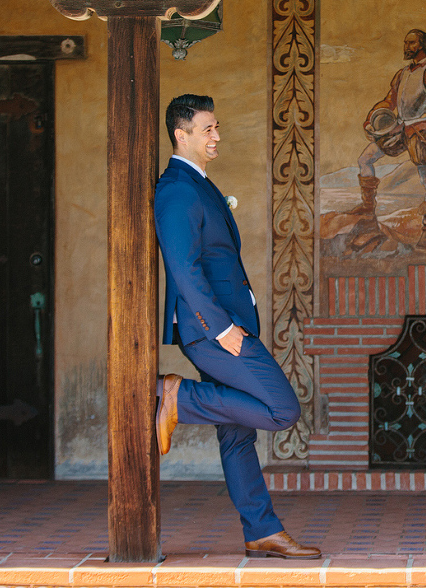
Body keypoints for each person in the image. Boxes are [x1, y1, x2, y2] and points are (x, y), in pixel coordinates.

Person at [153, 94, 321, 560]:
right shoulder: (176, 190)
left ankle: (261, 530)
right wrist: (221, 328)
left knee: (237, 432)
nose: (217, 136)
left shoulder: (199, 185)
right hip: (212, 332)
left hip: (225, 326)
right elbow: (184, 269)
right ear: (180, 135)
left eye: (217, 126)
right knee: (280, 410)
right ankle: (177, 397)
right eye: (207, 129)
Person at [351, 29, 426, 249]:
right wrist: (372, 118)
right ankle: (368, 215)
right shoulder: (403, 73)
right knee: (365, 159)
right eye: (405, 42)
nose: (406, 46)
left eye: (410, 43)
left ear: (421, 45)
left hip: (421, 131)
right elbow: (390, 101)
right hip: (399, 128)